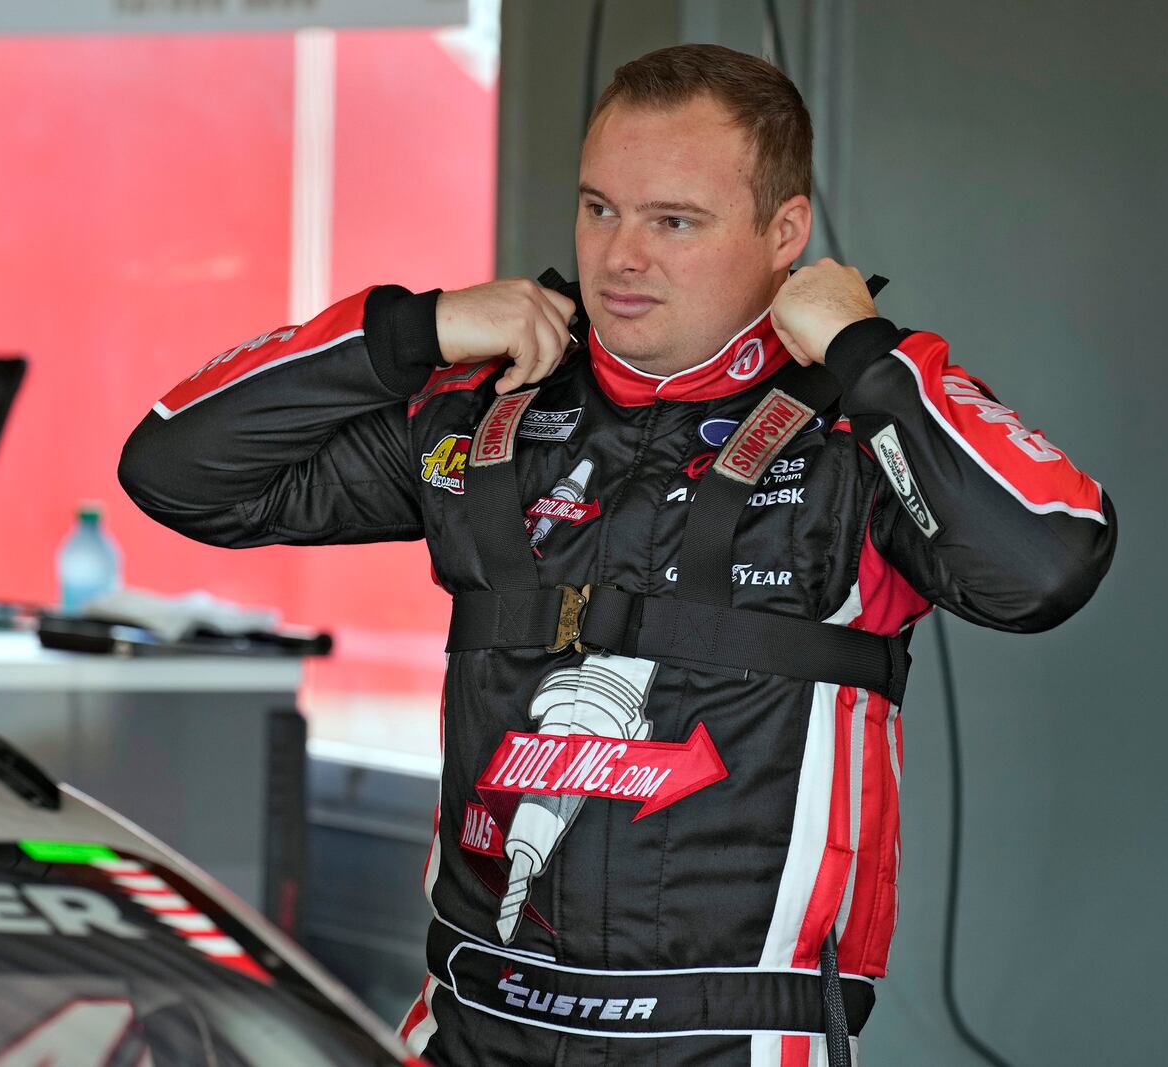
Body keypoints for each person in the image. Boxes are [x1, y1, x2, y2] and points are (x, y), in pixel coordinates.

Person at [119, 43, 1114, 1067]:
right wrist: (415, 329)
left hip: (724, 1031)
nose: (621, 256)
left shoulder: (860, 431)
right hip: (474, 1014)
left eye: (672, 221)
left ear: (785, 232)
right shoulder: (490, 406)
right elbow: (178, 472)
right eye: (600, 209)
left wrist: (869, 358)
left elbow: (1040, 567)